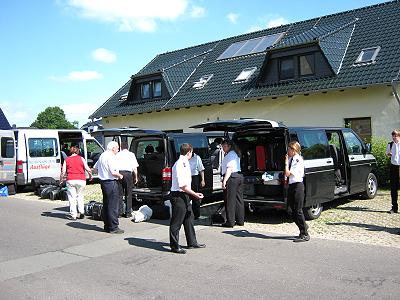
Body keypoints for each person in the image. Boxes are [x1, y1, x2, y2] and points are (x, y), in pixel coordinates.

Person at [169, 143, 206, 254]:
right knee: (176, 222)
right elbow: (182, 186)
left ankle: (192, 242)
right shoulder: (180, 164)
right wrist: (195, 194)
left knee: (189, 217)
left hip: (184, 195)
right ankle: (174, 246)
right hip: (178, 195)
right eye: (192, 152)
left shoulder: (185, 163)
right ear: (189, 151)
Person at [93, 141, 124, 234]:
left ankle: (107, 225)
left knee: (106, 204)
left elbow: (95, 168)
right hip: (111, 181)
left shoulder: (102, 155)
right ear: (113, 148)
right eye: (117, 148)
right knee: (113, 205)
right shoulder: (111, 156)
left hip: (103, 182)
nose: (118, 150)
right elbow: (113, 172)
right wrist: (121, 176)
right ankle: (113, 227)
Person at [284, 141, 309, 242]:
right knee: (290, 210)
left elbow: (287, 173)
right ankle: (304, 225)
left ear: (294, 150)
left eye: (289, 149)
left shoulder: (297, 159)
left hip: (298, 186)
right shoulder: (291, 158)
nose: (287, 151)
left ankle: (304, 233)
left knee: (298, 210)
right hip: (291, 185)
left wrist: (286, 162)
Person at [60, 144, 93, 220]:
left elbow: (63, 172)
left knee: (72, 198)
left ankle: (73, 215)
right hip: (81, 180)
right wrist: (90, 176)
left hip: (71, 180)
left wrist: (61, 180)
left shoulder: (67, 159)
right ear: (77, 151)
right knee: (80, 196)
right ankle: (81, 212)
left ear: (70, 151)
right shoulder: (81, 158)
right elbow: (88, 169)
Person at [221, 139, 244, 228]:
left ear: (229, 146)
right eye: (222, 146)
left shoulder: (230, 155)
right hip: (238, 176)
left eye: (225, 146)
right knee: (239, 199)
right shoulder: (235, 153)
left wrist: (224, 181)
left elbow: (229, 169)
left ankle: (230, 222)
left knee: (230, 200)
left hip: (232, 177)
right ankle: (240, 220)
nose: (223, 148)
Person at [116, 141, 139, 218]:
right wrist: (136, 177)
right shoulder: (131, 155)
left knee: (120, 193)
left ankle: (119, 212)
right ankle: (128, 212)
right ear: (127, 147)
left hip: (119, 174)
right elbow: (134, 167)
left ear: (121, 147)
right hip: (128, 174)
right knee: (128, 193)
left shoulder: (117, 154)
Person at [386, 130, 400, 214]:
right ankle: (394, 208)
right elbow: (387, 153)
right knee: (393, 188)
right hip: (393, 167)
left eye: (396, 136)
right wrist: (389, 154)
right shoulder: (390, 144)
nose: (394, 138)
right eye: (393, 136)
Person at [189, 151, 205, 219]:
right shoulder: (184, 157)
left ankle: (196, 214)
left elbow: (201, 169)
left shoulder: (197, 157)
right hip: (187, 176)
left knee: (195, 196)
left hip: (194, 177)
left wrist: (203, 180)